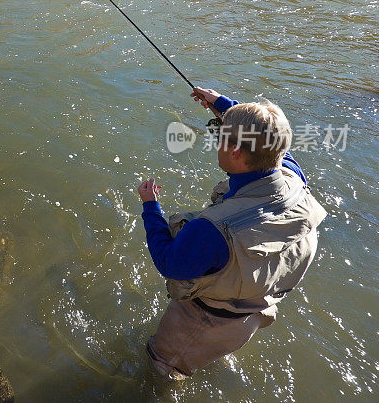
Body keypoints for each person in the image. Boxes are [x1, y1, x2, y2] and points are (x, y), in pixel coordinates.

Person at [136, 86, 327, 380]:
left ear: (236, 152)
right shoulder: (292, 177)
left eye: (219, 135)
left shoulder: (212, 231)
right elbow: (269, 136)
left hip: (202, 323)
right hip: (251, 317)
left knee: (160, 369)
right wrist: (223, 105)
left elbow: (169, 263)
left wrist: (151, 209)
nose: (217, 139)